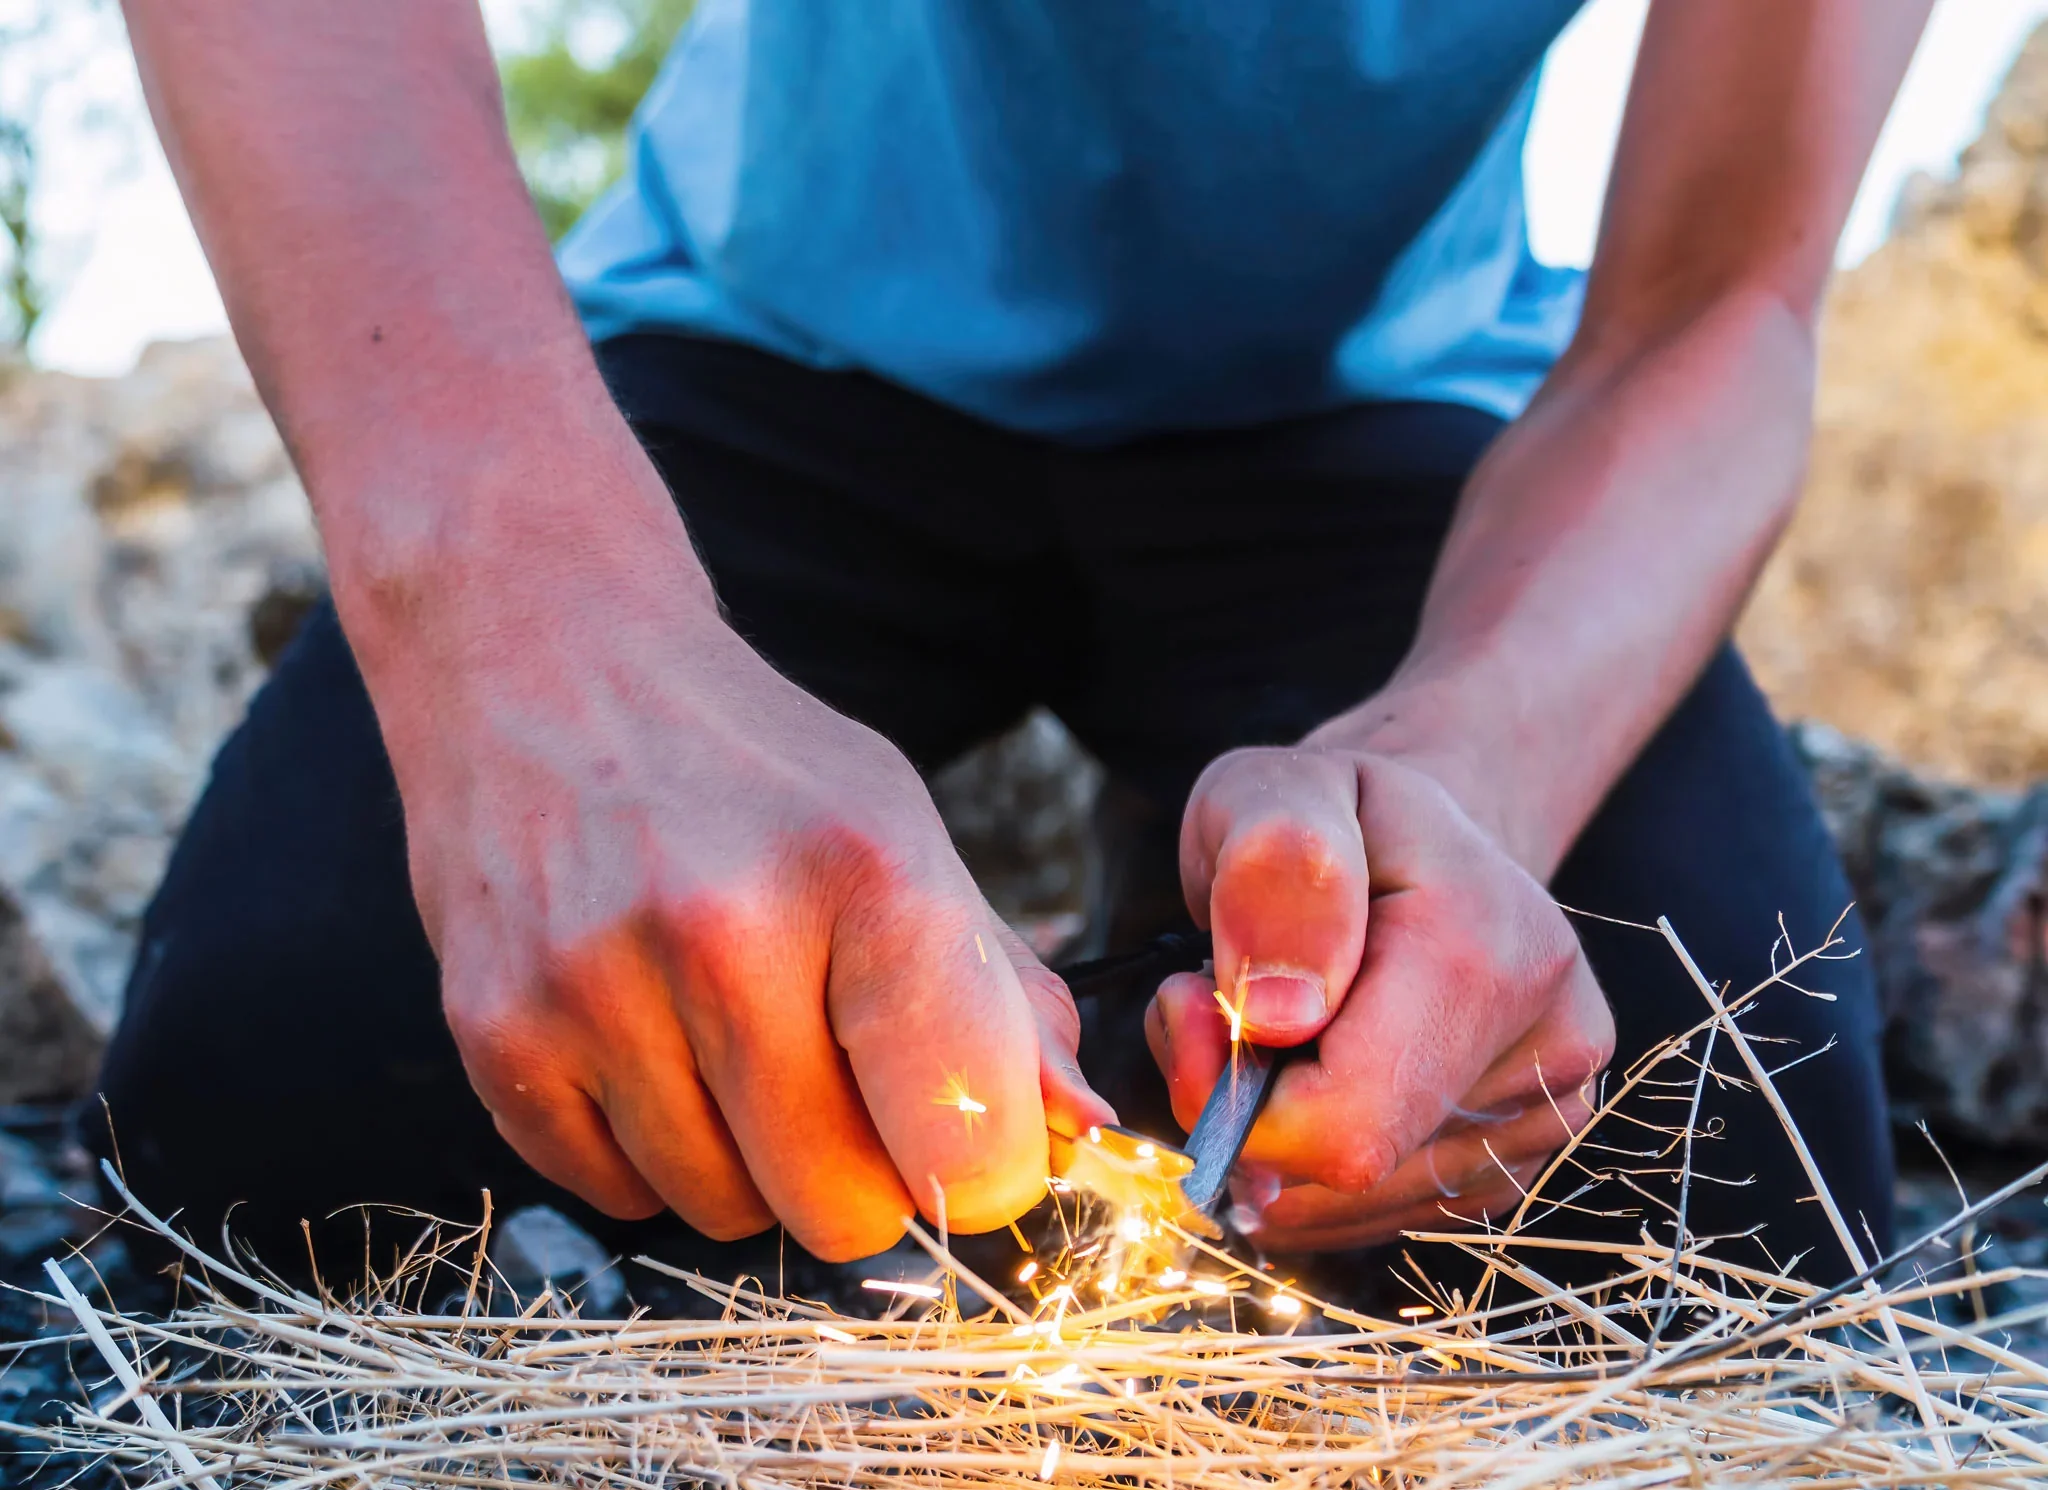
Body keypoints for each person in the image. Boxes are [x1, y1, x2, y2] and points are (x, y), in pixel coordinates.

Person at [99, 0, 1928, 1284]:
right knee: (276, 1088)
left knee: (1717, 1161)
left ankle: (1176, 962)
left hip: (1369, 404)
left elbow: (1719, 305)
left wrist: (1468, 774)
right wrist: (529, 642)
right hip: (765, 349)